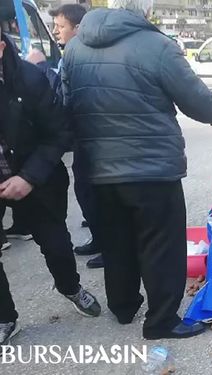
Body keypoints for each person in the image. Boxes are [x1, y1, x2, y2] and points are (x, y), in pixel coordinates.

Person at [62, 0, 212, 339]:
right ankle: (161, 321)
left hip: (98, 167)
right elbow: (194, 97)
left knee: (117, 240)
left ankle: (123, 308)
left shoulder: (75, 47)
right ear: (143, 12)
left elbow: (64, 101)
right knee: (161, 245)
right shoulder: (156, 45)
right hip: (152, 168)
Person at [0, 33, 102, 345]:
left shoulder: (30, 80)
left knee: (57, 246)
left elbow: (59, 134)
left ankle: (70, 287)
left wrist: (28, 177)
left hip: (35, 179)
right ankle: (5, 317)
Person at [26, 4, 102, 269]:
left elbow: (59, 96)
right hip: (83, 134)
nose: (56, 32)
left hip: (89, 135)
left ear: (77, 29)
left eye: (60, 27)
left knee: (92, 190)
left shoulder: (78, 54)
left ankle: (106, 242)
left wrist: (38, 69)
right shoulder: (71, 52)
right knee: (85, 188)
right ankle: (100, 237)